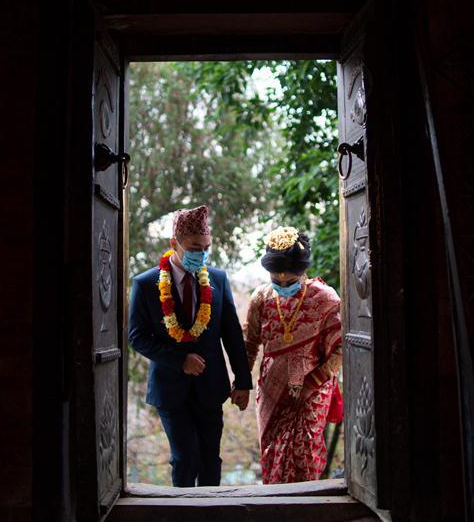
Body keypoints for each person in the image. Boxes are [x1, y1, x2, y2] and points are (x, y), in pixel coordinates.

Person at [128, 204, 252, 487]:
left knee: (210, 461)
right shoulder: (145, 284)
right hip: (170, 389)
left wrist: (243, 382)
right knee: (184, 461)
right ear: (174, 243)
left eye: (206, 248)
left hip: (211, 386)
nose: (202, 254)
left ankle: (213, 509)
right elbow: (137, 337)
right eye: (195, 248)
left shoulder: (218, 279)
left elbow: (232, 334)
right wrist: (179, 360)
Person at [243, 226, 344, 484]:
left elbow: (341, 348)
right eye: (276, 281)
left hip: (312, 390)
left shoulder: (325, 298)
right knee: (273, 455)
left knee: (304, 455)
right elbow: (250, 344)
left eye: (290, 282)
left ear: (303, 272)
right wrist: (241, 383)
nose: (283, 286)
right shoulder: (261, 298)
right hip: (271, 392)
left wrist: (315, 380)